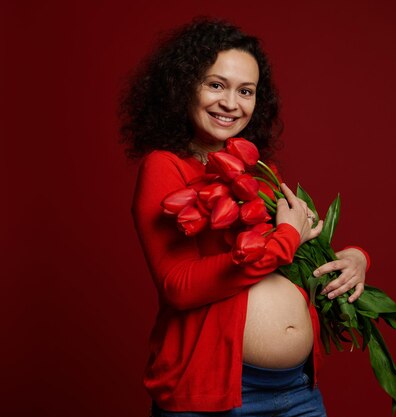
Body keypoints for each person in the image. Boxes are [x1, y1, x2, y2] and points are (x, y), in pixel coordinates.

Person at [119, 17, 371, 417]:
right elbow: (178, 285)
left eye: (246, 91)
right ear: (183, 86)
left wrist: (355, 259)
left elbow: (303, 251)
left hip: (297, 391)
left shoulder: (257, 172)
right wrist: (285, 238)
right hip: (215, 396)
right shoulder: (164, 166)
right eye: (215, 85)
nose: (231, 103)